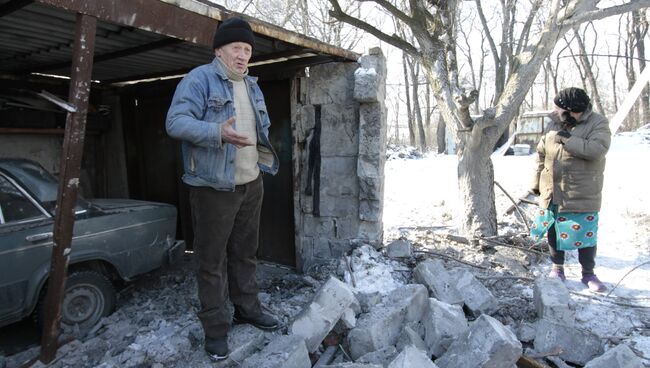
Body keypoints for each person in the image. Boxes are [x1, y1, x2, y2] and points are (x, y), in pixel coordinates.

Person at [166, 17, 280, 361]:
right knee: (211, 261)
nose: (243, 55)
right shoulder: (198, 80)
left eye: (247, 49)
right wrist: (217, 133)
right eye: (236, 48)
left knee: (246, 253)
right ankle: (216, 330)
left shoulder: (253, 85)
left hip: (251, 183)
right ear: (219, 50)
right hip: (213, 188)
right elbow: (175, 122)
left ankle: (247, 308)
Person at [530, 87, 611, 293]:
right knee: (553, 230)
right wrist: (537, 181)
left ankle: (588, 274)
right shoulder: (553, 124)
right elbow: (541, 154)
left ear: (572, 109)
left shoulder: (597, 123)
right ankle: (557, 268)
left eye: (558, 108)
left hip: (581, 191)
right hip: (553, 189)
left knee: (586, 233)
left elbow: (597, 150)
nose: (554, 111)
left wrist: (566, 139)